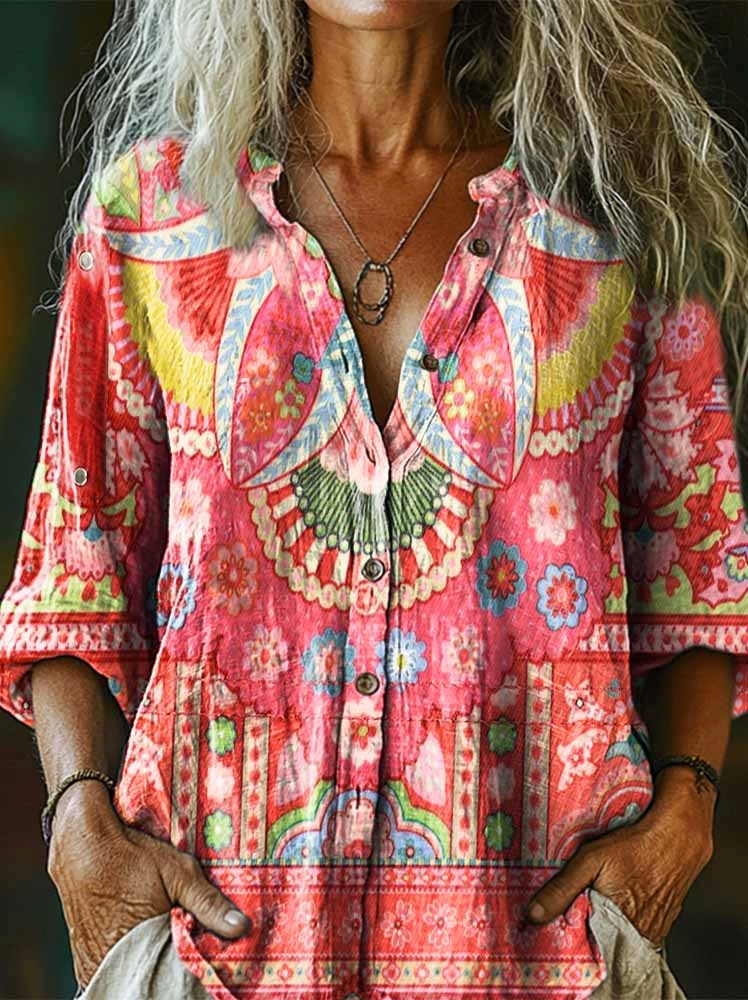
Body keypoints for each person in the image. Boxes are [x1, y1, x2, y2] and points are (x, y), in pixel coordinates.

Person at [1, 1, 748, 998]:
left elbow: (695, 565)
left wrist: (687, 807)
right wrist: (78, 820)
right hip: (213, 962)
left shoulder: (614, 214)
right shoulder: (153, 216)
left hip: (543, 963)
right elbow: (73, 568)